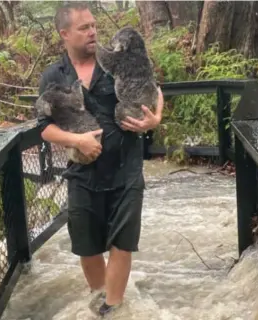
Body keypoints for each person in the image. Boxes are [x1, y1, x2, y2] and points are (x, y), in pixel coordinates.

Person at [37, 2, 164, 316]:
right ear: (64, 33)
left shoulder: (117, 60)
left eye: (94, 25)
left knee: (123, 241)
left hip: (126, 167)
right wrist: (77, 139)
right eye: (84, 28)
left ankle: (114, 307)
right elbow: (44, 128)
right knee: (87, 245)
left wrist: (155, 118)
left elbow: (154, 88)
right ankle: (100, 299)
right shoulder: (54, 75)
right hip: (82, 171)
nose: (93, 32)